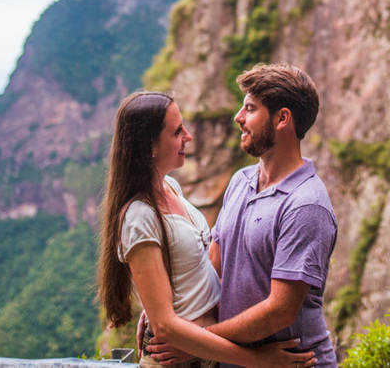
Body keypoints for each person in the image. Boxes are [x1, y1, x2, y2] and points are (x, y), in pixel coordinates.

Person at [98, 91, 317, 368]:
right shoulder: (139, 217)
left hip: (208, 352)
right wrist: (257, 360)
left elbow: (195, 267)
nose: (188, 136)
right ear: (149, 146)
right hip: (179, 361)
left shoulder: (171, 189)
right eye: (177, 132)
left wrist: (160, 302)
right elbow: (165, 327)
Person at [146, 64, 338, 368]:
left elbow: (280, 311)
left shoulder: (306, 204)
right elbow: (212, 268)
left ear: (282, 119)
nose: (238, 117)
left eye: (250, 108)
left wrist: (197, 342)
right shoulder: (241, 181)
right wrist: (166, 307)